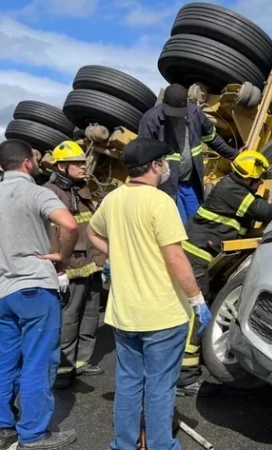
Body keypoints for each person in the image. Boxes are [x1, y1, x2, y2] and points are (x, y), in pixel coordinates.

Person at [87, 137, 212, 450]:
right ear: (156, 165)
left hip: (124, 313)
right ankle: (160, 445)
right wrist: (196, 298)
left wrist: (116, 255)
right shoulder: (160, 202)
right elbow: (175, 257)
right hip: (162, 314)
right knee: (159, 387)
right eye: (166, 162)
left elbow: (92, 232)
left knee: (129, 382)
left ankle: (124, 444)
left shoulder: (113, 199)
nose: (168, 167)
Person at [0, 139, 79, 449]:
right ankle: (33, 434)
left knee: (5, 361)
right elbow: (68, 225)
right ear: (27, 163)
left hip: (0, 293)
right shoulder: (36, 193)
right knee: (39, 361)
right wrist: (62, 257)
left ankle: (2, 429)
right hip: (35, 288)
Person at [178, 150, 272, 397]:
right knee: (197, 312)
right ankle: (184, 375)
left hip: (199, 255)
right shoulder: (233, 190)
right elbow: (263, 211)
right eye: (258, 180)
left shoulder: (236, 188)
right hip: (195, 256)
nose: (259, 184)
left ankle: (183, 366)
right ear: (248, 177)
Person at [43, 141, 107, 389]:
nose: (83, 167)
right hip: (69, 265)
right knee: (68, 318)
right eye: (77, 163)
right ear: (61, 167)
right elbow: (50, 235)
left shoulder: (82, 189)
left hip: (90, 263)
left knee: (91, 314)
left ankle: (82, 362)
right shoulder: (50, 192)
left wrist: (102, 260)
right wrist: (58, 270)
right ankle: (63, 367)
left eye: (83, 162)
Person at [139, 83, 239, 223]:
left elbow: (212, 138)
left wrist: (234, 155)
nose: (176, 117)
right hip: (168, 186)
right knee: (179, 226)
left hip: (190, 183)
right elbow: (143, 158)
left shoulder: (195, 113)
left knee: (195, 223)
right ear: (164, 104)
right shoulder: (151, 120)